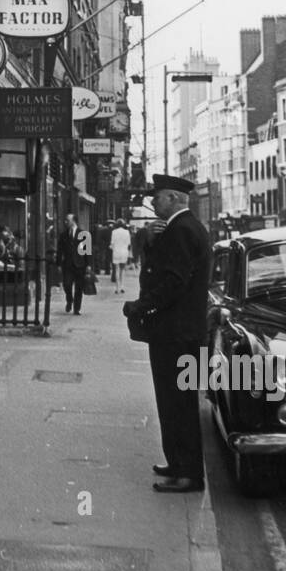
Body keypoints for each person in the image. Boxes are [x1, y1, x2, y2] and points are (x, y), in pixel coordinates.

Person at [123, 174, 211, 494]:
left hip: (177, 335)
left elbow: (172, 282)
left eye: (157, 197)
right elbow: (162, 270)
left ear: (174, 198)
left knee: (179, 405)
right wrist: (150, 242)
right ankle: (177, 463)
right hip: (178, 334)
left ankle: (188, 473)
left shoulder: (182, 231)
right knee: (173, 402)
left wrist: (141, 306)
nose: (153, 202)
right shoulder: (181, 229)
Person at [55, 212, 90, 314]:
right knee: (67, 284)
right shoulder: (63, 235)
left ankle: (77, 308)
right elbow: (59, 250)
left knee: (79, 288)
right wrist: (58, 264)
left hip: (80, 264)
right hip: (68, 265)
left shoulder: (84, 234)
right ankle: (69, 300)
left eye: (68, 220)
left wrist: (88, 265)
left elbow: (87, 250)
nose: (66, 222)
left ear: (73, 221)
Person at [109, 218, 132, 294]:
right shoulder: (127, 232)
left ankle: (117, 288)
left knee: (116, 270)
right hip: (124, 252)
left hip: (116, 252)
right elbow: (128, 243)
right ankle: (122, 287)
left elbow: (112, 243)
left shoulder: (114, 232)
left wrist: (111, 247)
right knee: (122, 270)